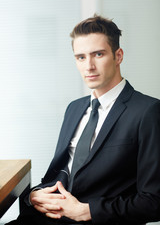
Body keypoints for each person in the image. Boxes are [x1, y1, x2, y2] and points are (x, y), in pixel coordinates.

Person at [6, 15, 160, 225]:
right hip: (44, 218)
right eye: (80, 57)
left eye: (98, 54)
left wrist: (86, 211)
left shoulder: (148, 111)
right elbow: (58, 174)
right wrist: (35, 196)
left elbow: (153, 202)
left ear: (118, 56)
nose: (89, 66)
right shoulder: (74, 108)